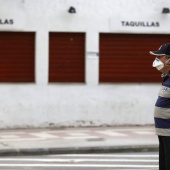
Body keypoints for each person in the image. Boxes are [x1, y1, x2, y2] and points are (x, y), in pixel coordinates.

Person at [149, 43, 170, 170]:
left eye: (159, 56)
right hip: (163, 130)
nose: (156, 60)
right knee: (164, 162)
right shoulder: (167, 77)